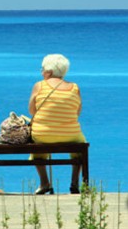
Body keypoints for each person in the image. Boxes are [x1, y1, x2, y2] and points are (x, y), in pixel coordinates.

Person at [28, 54, 86, 195]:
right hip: (70, 134)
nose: (41, 72)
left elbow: (32, 111)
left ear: (49, 71)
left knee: (37, 151)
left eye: (42, 69)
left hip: (43, 134)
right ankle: (74, 182)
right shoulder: (74, 88)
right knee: (79, 148)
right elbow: (77, 112)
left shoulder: (39, 86)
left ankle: (44, 182)